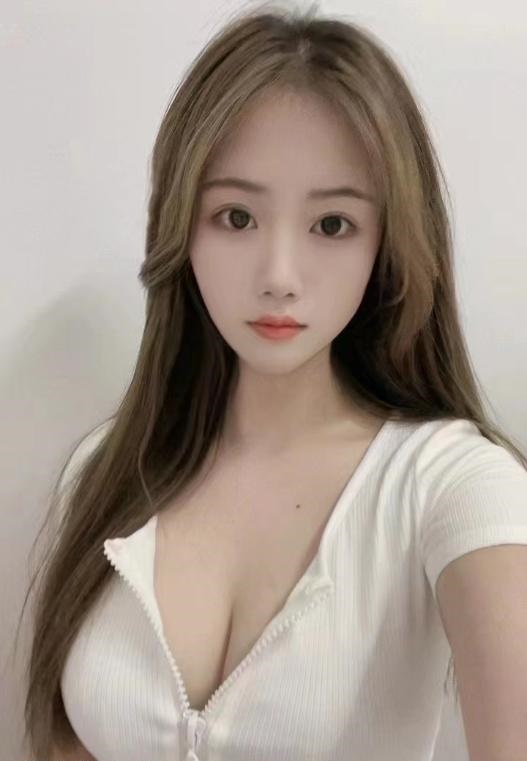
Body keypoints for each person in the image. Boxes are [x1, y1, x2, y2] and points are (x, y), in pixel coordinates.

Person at [15, 3, 527, 760]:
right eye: (235, 217)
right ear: (179, 225)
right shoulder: (104, 472)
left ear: (387, 244)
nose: (279, 276)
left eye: (331, 225)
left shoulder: (453, 487)